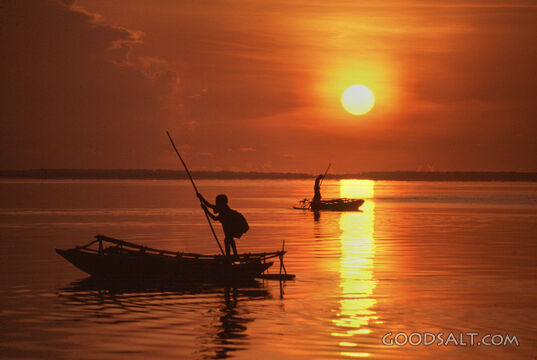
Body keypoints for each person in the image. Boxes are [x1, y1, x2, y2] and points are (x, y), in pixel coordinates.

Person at [198, 193, 249, 259]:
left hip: (238, 226)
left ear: (221, 203)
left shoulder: (224, 211)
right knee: (228, 239)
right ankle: (232, 255)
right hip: (232, 227)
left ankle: (232, 255)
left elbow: (214, 218)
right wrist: (201, 197)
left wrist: (206, 210)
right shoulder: (222, 208)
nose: (216, 204)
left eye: (217, 202)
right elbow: (209, 205)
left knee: (228, 238)